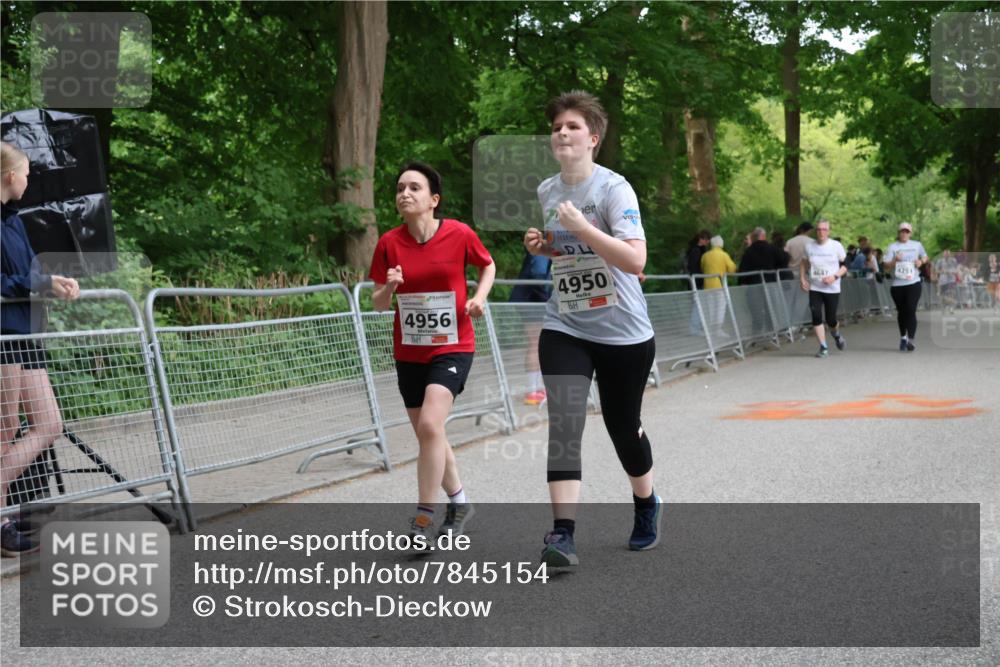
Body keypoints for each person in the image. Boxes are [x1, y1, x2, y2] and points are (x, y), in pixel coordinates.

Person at [523, 90, 659, 567]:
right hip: (566, 323)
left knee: (624, 428)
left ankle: (646, 503)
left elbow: (635, 259)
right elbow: (565, 252)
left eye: (573, 126)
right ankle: (562, 534)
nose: (562, 132)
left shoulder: (614, 189)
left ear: (593, 138)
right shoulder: (547, 190)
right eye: (556, 127)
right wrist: (543, 246)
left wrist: (582, 228)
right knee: (565, 422)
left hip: (623, 330)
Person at [368, 161, 496, 546]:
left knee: (429, 426)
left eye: (414, 188)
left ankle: (424, 518)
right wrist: (390, 287)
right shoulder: (389, 243)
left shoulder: (458, 234)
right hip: (409, 352)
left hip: (453, 346)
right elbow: (378, 304)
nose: (404, 193)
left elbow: (487, 265)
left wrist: (479, 297)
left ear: (433, 200)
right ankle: (460, 503)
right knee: (430, 434)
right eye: (400, 188)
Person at [2, 141, 80, 556]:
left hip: (26, 331)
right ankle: (2, 521)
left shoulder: (14, 220)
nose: (29, 182)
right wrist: (37, 283)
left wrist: (54, 282)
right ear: (10, 176)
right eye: (27, 174)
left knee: (48, 422)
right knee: (4, 429)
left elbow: (31, 270)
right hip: (3, 333)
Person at [508, 251, 552, 405]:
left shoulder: (543, 244)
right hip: (534, 299)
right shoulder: (542, 244)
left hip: (531, 298)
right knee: (535, 343)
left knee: (539, 344)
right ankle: (533, 391)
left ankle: (537, 389)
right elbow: (538, 272)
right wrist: (548, 294)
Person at [800, 219, 847, 358]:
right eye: (819, 229)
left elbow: (845, 265)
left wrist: (834, 277)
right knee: (816, 315)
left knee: (831, 319)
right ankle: (823, 347)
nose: (821, 232)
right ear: (816, 231)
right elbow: (803, 263)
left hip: (832, 288)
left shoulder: (836, 246)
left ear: (828, 231)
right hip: (815, 287)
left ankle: (836, 334)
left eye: (824, 229)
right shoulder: (809, 246)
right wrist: (802, 278)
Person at [881, 222, 929, 352]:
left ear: (910, 233)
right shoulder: (892, 247)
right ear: (899, 233)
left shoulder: (917, 245)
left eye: (907, 231)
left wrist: (920, 261)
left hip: (913, 282)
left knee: (911, 309)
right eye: (902, 231)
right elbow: (885, 266)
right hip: (897, 285)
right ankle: (903, 337)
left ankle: (911, 340)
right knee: (902, 312)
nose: (904, 234)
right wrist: (895, 261)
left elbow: (925, 256)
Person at [738, 227, 784, 336]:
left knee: (756, 310)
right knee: (771, 308)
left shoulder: (749, 251)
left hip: (754, 284)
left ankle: (757, 332)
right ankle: (772, 331)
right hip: (770, 282)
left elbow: (743, 268)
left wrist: (742, 282)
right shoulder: (772, 248)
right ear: (763, 236)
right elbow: (784, 259)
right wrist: (776, 270)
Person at [700, 235, 736, 330]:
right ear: (721, 244)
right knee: (720, 308)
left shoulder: (705, 255)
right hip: (720, 285)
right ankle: (718, 329)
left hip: (707, 286)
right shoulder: (724, 255)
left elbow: (702, 268)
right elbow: (732, 269)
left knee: (711, 308)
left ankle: (711, 329)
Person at [934, 249, 959, 314]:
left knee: (951, 294)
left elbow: (957, 270)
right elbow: (936, 270)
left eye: (948, 254)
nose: (947, 255)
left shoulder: (953, 260)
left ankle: (951, 308)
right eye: (945, 254)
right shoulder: (940, 261)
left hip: (951, 280)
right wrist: (942, 271)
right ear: (943, 254)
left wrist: (952, 272)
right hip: (943, 281)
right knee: (942, 295)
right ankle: (944, 307)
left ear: (950, 254)